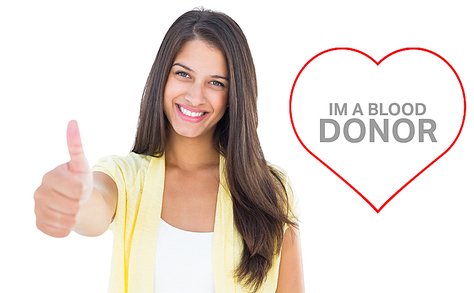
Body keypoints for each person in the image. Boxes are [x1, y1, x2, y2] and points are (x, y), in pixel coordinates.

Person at [33, 8, 304, 293]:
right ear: (162, 77)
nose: (194, 96)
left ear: (233, 95)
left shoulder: (271, 190)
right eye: (183, 74)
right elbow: (95, 208)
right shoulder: (126, 179)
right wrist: (74, 202)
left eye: (215, 83)